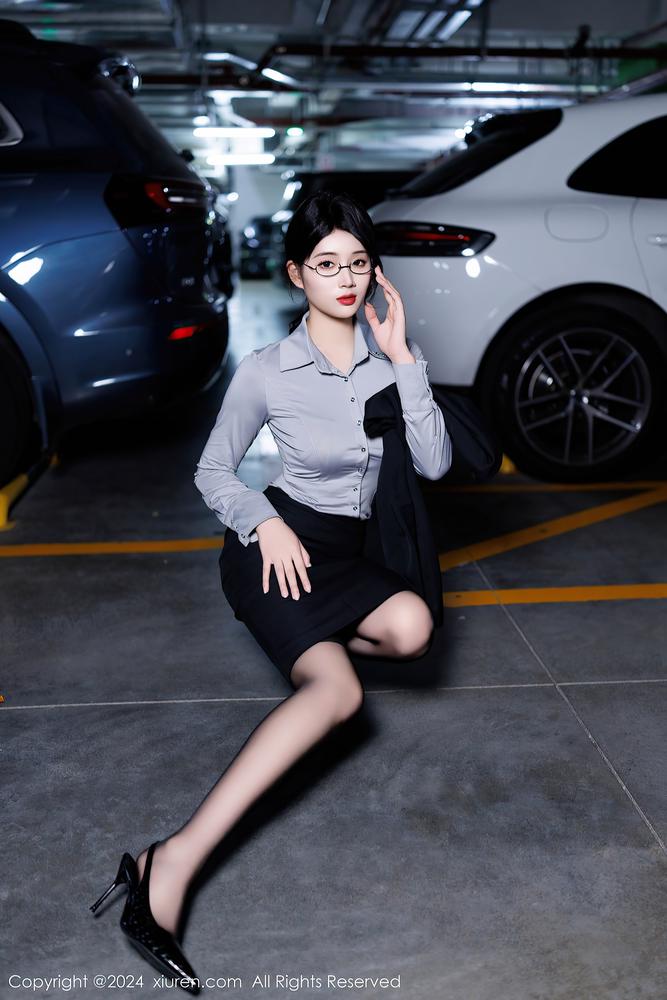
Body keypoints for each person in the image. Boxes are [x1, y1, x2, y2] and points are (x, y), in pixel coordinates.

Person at [89, 190, 452, 994]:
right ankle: (168, 863)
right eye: (326, 265)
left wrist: (403, 358)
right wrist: (263, 519)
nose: (344, 279)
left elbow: (434, 463)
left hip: (345, 558)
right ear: (296, 275)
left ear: (374, 272)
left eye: (357, 263)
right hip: (274, 552)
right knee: (337, 694)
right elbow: (212, 471)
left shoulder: (388, 361)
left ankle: (312, 642)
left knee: (413, 628)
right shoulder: (266, 370)